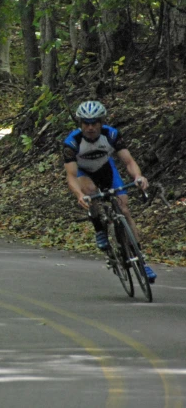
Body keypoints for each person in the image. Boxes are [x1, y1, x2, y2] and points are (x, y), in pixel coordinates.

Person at [63, 100, 156, 283]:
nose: (90, 127)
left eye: (94, 123)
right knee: (90, 191)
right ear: (80, 124)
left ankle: (141, 260)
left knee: (125, 210)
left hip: (106, 170)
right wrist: (79, 195)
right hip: (84, 173)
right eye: (86, 123)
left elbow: (128, 161)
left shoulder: (111, 134)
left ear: (101, 122)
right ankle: (99, 228)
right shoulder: (72, 142)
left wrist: (138, 177)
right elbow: (71, 176)